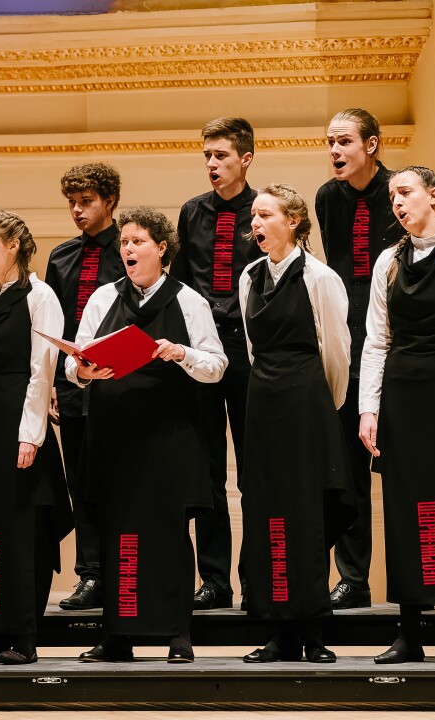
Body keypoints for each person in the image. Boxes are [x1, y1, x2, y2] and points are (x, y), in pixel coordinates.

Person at [68, 207, 226, 663]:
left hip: (168, 432)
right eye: (124, 242)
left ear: (161, 248)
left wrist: (180, 353)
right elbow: (72, 361)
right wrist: (83, 371)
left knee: (168, 533)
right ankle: (117, 636)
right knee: (118, 534)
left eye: (137, 241)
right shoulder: (102, 298)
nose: (128, 249)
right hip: (115, 431)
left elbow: (217, 367)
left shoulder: (188, 300)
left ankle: (178, 635)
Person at [239, 184, 354, 664]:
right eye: (253, 216)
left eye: (265, 214)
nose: (256, 224)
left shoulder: (320, 277)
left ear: (293, 222)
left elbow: (337, 352)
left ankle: (312, 632)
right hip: (263, 404)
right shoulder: (248, 276)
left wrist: (320, 405)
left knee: (307, 516)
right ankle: (278, 633)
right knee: (268, 515)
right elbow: (249, 346)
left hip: (307, 402)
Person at [0, 210, 72, 666]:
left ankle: (21, 636)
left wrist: (31, 435)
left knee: (19, 531)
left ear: (14, 247)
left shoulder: (41, 297)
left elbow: (42, 372)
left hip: (21, 422)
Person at [170, 117, 263, 611]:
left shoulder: (265, 209)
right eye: (207, 155)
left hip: (249, 354)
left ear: (245, 159)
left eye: (221, 155)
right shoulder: (191, 212)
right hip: (203, 352)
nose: (212, 163)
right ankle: (214, 581)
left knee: (253, 471)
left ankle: (258, 581)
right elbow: (182, 286)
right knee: (206, 473)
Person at [359, 166, 435, 663]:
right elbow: (376, 340)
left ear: (433, 196)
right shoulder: (388, 262)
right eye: (392, 195)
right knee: (410, 511)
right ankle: (410, 632)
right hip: (403, 395)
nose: (396, 201)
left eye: (406, 192)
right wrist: (368, 409)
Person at [315, 109, 402, 610]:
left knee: (402, 467)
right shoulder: (328, 197)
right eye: (329, 141)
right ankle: (354, 579)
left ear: (372, 145)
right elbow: (341, 275)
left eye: (344, 141)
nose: (334, 151)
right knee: (348, 468)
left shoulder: (400, 189)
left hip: (397, 341)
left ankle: (423, 576)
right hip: (350, 341)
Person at [46, 162, 125, 611]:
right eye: (72, 203)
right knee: (82, 484)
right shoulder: (60, 257)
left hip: (118, 381)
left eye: (87, 202)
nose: (77, 211)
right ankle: (91, 575)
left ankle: (125, 572)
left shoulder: (130, 248)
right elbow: (58, 326)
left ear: (109, 201)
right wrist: (57, 382)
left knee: (120, 482)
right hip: (74, 382)